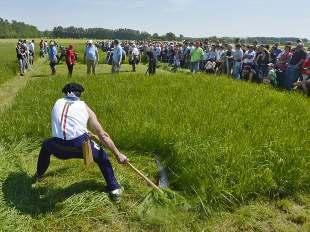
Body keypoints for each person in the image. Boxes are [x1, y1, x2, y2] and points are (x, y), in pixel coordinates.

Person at [33, 83, 128, 200]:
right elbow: (102, 136)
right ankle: (114, 189)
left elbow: (65, 124)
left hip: (57, 148)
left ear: (65, 93)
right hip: (79, 147)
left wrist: (83, 130)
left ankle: (39, 174)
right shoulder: (84, 107)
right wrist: (118, 155)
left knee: (45, 146)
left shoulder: (57, 102)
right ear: (79, 95)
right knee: (102, 157)